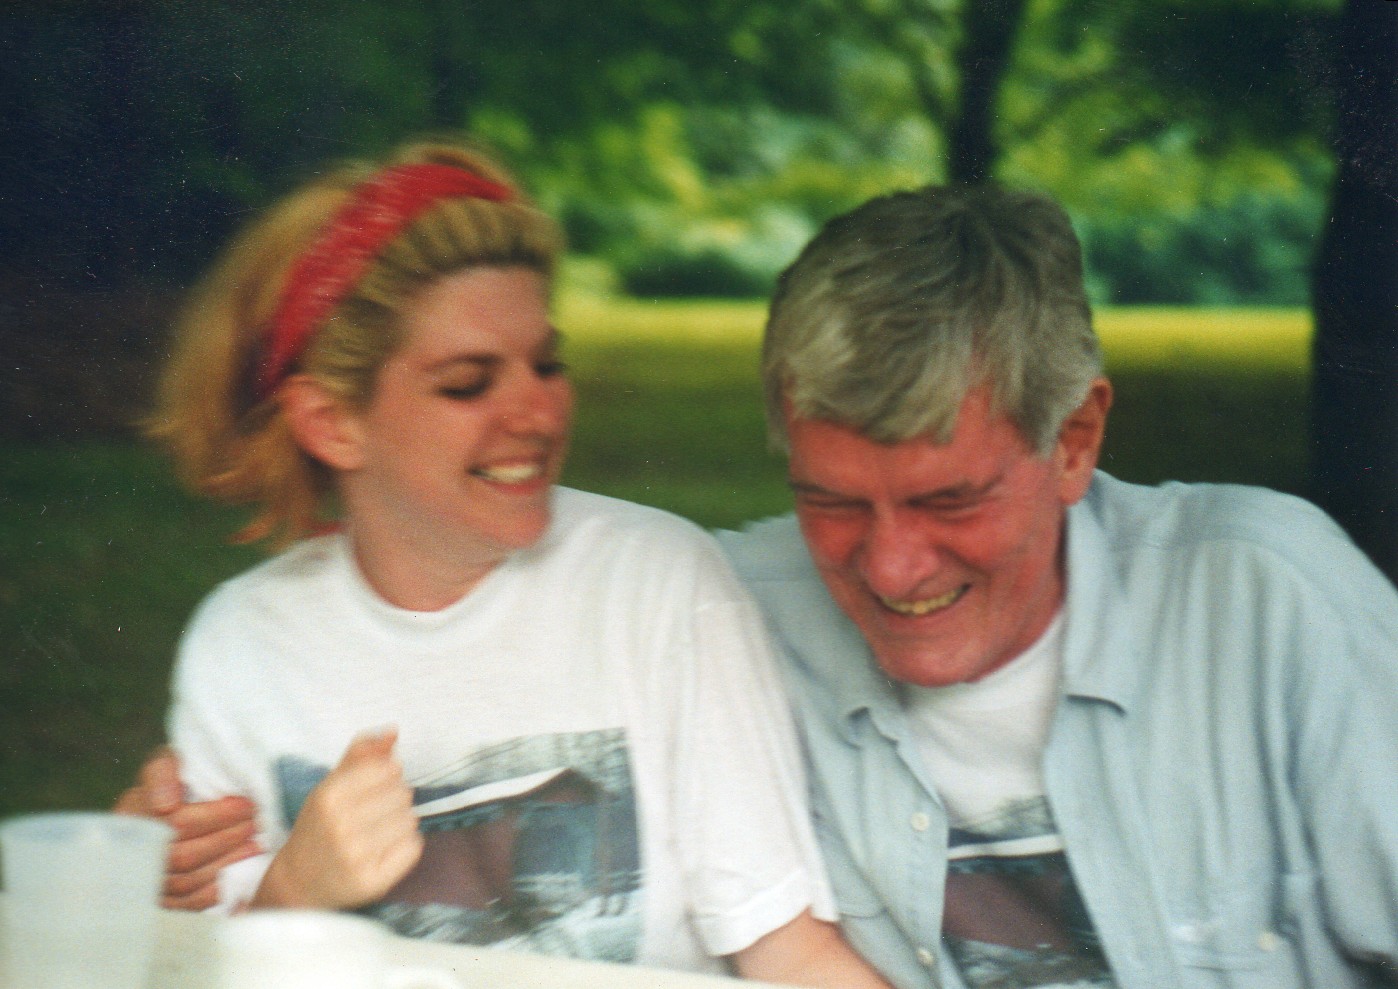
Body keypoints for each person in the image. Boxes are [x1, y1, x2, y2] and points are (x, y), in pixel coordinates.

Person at [126, 181, 1398, 988]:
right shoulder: (723, 600)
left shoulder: (1272, 605)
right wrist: (197, 864)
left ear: (1075, 440)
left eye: (950, 499)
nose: (891, 567)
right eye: (831, 499)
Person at [117, 137, 891, 988]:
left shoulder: (658, 585)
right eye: (468, 382)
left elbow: (786, 949)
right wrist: (296, 890)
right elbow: (204, 975)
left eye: (546, 363)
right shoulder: (247, 646)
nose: (537, 410)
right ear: (333, 422)